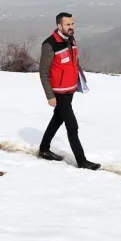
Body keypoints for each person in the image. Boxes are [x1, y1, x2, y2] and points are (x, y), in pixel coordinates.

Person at [37, 12, 100, 170]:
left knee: (57, 119)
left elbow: (73, 63)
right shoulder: (49, 44)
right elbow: (43, 72)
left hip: (70, 89)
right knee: (72, 126)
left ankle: (44, 149)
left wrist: (79, 81)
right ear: (59, 26)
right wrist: (50, 96)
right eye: (68, 25)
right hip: (59, 92)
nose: (71, 27)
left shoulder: (72, 40)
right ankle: (82, 161)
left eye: (72, 24)